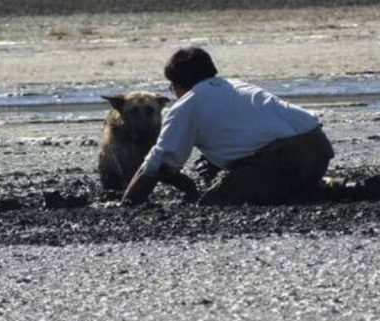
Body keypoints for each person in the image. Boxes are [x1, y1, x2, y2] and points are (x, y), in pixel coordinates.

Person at [121, 47, 335, 205]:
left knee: (213, 204)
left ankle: (318, 191)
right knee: (288, 189)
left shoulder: (187, 105)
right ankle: (331, 189)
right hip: (318, 147)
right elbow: (249, 134)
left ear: (178, 84)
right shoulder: (237, 85)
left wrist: (128, 202)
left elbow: (157, 163)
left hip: (284, 160)